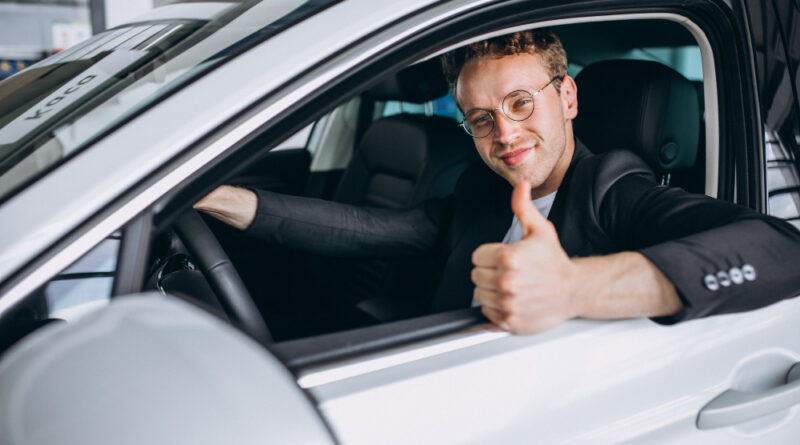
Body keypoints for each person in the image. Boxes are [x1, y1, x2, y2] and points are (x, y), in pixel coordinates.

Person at [195, 29, 800, 334]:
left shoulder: (615, 189)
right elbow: (368, 229)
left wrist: (575, 288)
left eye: (519, 103)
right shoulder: (478, 194)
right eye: (481, 118)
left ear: (567, 96)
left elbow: (783, 250)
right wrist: (219, 198)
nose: (503, 133)